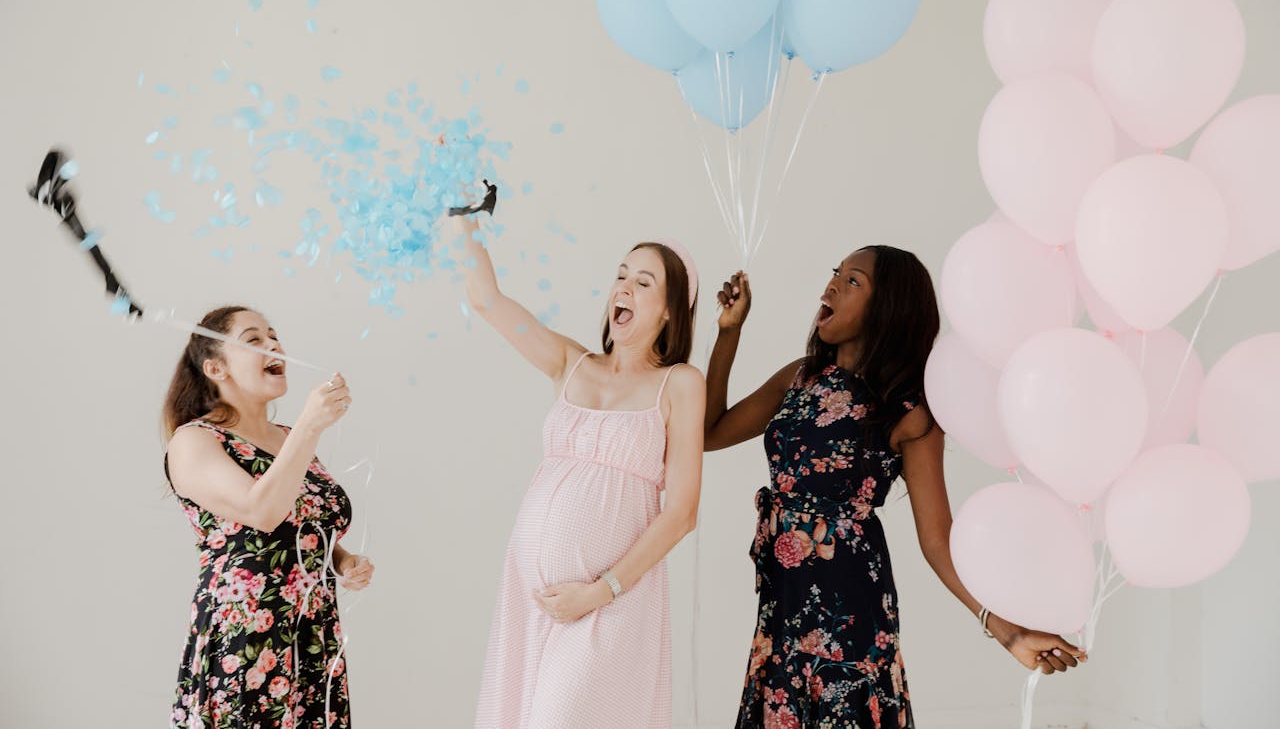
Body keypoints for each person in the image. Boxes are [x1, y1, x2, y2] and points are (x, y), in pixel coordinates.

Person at [705, 248, 1087, 729]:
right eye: (835, 274)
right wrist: (729, 332)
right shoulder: (799, 377)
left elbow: (936, 538)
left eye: (853, 282)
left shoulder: (910, 410)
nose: (832, 287)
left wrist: (1007, 632)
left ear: (888, 309)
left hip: (849, 608)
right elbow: (707, 432)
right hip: (783, 604)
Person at [455, 196, 705, 728]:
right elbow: (485, 299)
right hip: (530, 595)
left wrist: (600, 590)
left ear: (669, 311)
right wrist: (460, 211)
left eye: (643, 282)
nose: (624, 288)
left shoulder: (679, 385)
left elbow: (681, 513)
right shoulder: (570, 363)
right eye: (621, 275)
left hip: (611, 602)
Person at [162, 306, 374, 729]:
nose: (273, 345)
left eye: (274, 336)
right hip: (246, 642)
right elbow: (261, 512)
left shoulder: (289, 438)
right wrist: (312, 427)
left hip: (312, 640)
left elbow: (300, 525)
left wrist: (341, 559)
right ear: (216, 368)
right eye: (254, 339)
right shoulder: (194, 442)